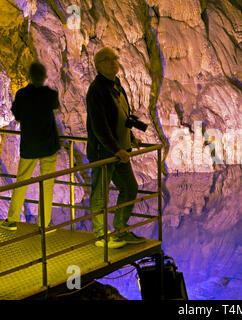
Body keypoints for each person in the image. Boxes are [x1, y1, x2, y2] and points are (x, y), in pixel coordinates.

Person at [86, 46, 145, 249]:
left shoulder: (116, 84)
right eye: (108, 60)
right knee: (100, 194)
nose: (114, 62)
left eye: (115, 58)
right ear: (99, 65)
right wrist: (115, 149)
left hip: (122, 151)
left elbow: (123, 115)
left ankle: (120, 228)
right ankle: (101, 236)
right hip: (105, 153)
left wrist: (131, 137)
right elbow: (99, 125)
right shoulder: (96, 91)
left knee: (130, 187)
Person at [0, 62, 60, 232]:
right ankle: (43, 224)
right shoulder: (50, 94)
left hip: (29, 145)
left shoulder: (22, 94)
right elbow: (55, 106)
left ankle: (11, 220)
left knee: (21, 182)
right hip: (48, 145)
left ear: (30, 76)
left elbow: (17, 115)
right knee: (47, 186)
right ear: (43, 76)